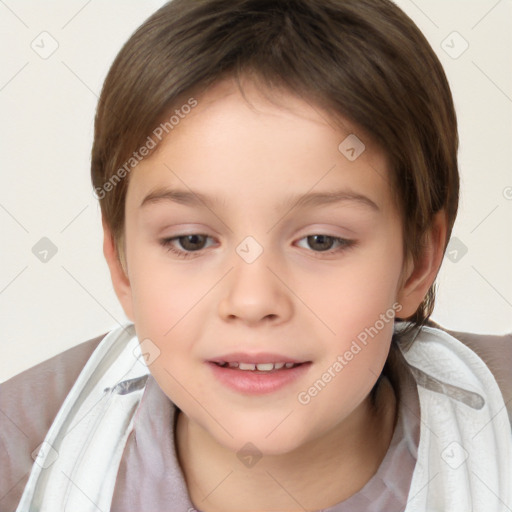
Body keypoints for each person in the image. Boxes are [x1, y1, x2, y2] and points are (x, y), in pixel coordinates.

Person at [1, 0, 511, 511]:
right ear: (122, 264)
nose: (251, 301)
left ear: (417, 262)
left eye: (321, 241)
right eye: (191, 240)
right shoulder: (20, 459)